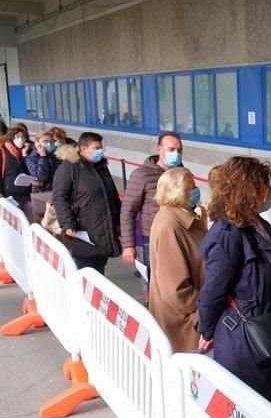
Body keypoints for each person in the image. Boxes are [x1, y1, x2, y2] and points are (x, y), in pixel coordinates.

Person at [196, 157, 271, 408]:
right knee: (251, 412)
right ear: (248, 190)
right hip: (245, 339)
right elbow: (212, 292)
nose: (269, 192)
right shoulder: (227, 234)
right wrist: (207, 331)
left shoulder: (257, 224)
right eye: (263, 185)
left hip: (268, 332)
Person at [148, 168, 206, 353]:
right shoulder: (170, 225)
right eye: (192, 187)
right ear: (177, 193)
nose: (196, 191)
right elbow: (175, 290)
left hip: (191, 314)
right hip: (184, 320)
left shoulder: (182, 217)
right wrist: (206, 305)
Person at [51, 132, 121, 274]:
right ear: (83, 149)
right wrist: (67, 224)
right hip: (82, 230)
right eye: (96, 148)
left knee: (99, 270)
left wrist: (118, 220)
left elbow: (112, 196)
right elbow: (59, 197)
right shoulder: (70, 167)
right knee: (84, 272)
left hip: (103, 229)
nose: (100, 151)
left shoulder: (101, 168)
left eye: (101, 148)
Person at [121, 132, 185, 279]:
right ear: (159, 149)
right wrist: (128, 245)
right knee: (152, 280)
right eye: (171, 149)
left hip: (178, 235)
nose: (176, 153)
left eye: (179, 150)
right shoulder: (142, 175)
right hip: (152, 239)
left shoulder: (182, 173)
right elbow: (127, 211)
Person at [1, 124, 35, 217]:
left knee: (28, 221)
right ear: (11, 138)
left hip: (27, 193)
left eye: (22, 137)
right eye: (17, 137)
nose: (20, 139)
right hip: (10, 194)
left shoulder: (30, 152)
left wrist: (25, 155)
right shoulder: (3, 151)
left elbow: (32, 171)